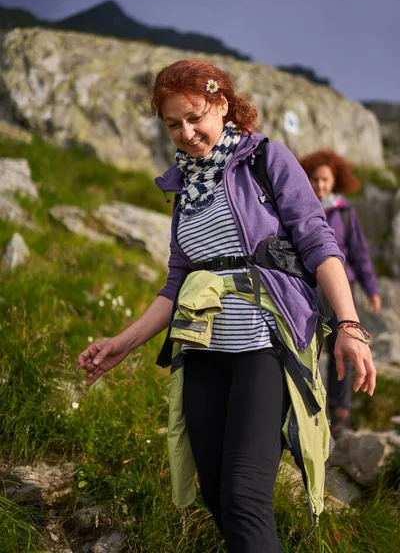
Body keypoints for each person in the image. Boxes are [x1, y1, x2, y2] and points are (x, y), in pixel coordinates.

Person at [78, 60, 376, 553]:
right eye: (173, 124)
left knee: (242, 497)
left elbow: (320, 244)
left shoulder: (267, 160)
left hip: (264, 346)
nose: (187, 132)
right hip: (200, 352)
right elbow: (177, 282)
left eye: (195, 116)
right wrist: (122, 344)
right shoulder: (185, 188)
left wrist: (349, 323)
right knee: (217, 495)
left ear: (221, 103)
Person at [300, 149, 381, 438]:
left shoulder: (345, 213)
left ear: (334, 182)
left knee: (342, 353)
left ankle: (340, 414)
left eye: (324, 180)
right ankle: (306, 411)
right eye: (314, 179)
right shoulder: (297, 207)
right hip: (306, 292)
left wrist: (372, 289)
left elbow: (359, 254)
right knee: (307, 352)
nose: (319, 185)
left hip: (339, 295)